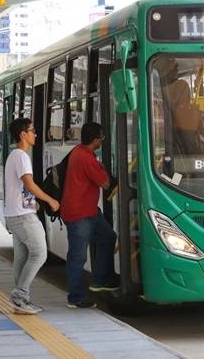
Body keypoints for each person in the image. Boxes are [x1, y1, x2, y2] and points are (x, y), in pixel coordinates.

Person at [4, 117, 60, 314]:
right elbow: (28, 183)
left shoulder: (14, 155)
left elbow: (19, 186)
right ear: (23, 135)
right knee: (39, 253)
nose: (35, 134)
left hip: (14, 214)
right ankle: (19, 295)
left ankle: (20, 302)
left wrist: (31, 202)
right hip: (22, 217)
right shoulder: (21, 156)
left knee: (22, 257)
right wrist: (49, 200)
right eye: (32, 131)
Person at [61, 122, 119, 309]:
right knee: (78, 256)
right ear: (95, 140)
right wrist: (102, 169)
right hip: (80, 214)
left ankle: (100, 280)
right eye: (101, 138)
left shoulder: (79, 152)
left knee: (108, 237)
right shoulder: (87, 159)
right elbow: (105, 183)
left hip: (90, 211)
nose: (102, 141)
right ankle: (75, 297)